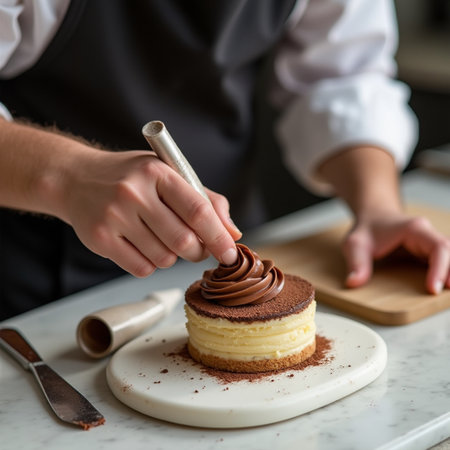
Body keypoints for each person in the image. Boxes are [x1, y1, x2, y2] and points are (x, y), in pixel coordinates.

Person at [0, 0, 449, 320]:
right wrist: (67, 175)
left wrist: (378, 209)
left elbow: (342, 77)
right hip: (31, 280)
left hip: (226, 240)